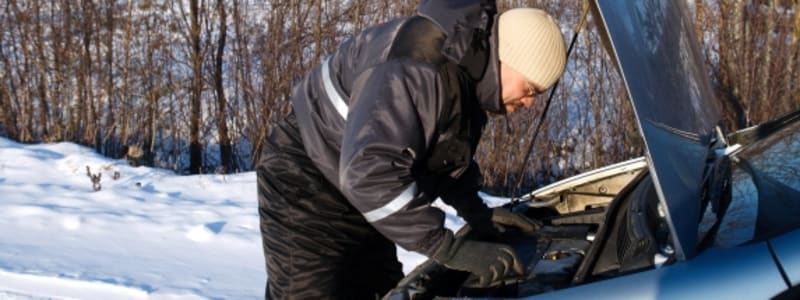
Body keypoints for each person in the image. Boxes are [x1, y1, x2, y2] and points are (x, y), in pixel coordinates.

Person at [256, 0, 566, 298]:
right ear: (506, 58)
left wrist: (476, 211)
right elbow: (368, 175)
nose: (529, 103)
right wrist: (449, 249)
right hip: (307, 180)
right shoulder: (418, 70)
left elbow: (440, 152)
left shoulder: (465, 71)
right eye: (529, 90)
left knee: (383, 289)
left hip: (360, 185)